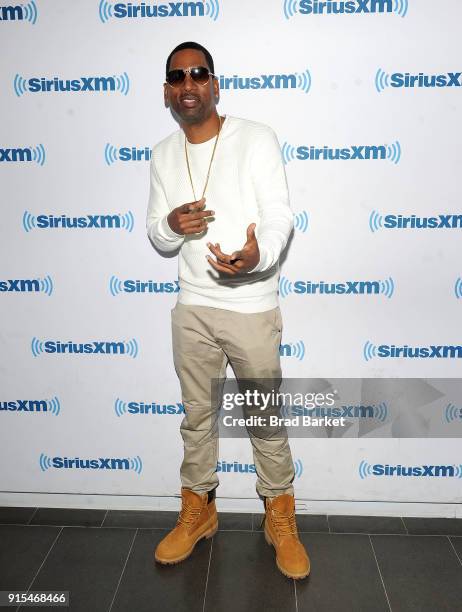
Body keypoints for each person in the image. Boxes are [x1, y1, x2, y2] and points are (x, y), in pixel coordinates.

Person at [146, 41, 310, 580]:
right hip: (192, 306)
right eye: (178, 76)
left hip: (251, 307)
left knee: (263, 417)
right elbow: (156, 235)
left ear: (215, 84)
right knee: (197, 419)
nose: (188, 83)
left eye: (199, 73)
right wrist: (172, 225)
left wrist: (258, 252)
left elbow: (280, 215)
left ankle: (279, 514)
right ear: (168, 91)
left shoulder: (257, 138)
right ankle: (200, 510)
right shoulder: (162, 154)